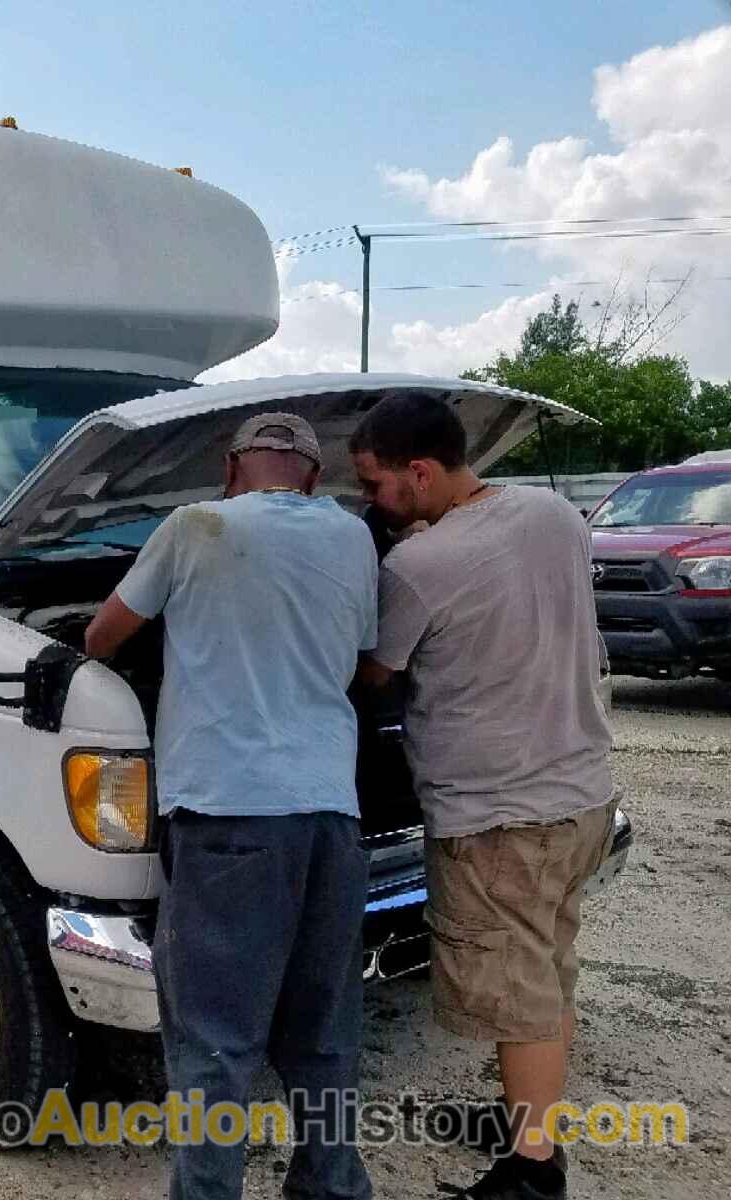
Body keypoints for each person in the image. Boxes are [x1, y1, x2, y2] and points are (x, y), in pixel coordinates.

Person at [85, 413, 376, 1200]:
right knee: (321, 1030)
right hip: (331, 816)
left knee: (215, 1041)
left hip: (227, 818)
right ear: (313, 476)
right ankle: (331, 1187)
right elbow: (356, 654)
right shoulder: (353, 538)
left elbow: (103, 636)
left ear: (231, 467)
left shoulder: (193, 526)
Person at [350, 393, 614, 1200]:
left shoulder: (416, 568)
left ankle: (533, 1176)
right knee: (547, 971)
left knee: (518, 991)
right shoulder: (551, 514)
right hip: (581, 792)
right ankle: (530, 1121)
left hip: (500, 816)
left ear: (419, 473)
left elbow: (372, 674)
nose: (369, 501)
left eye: (374, 483)